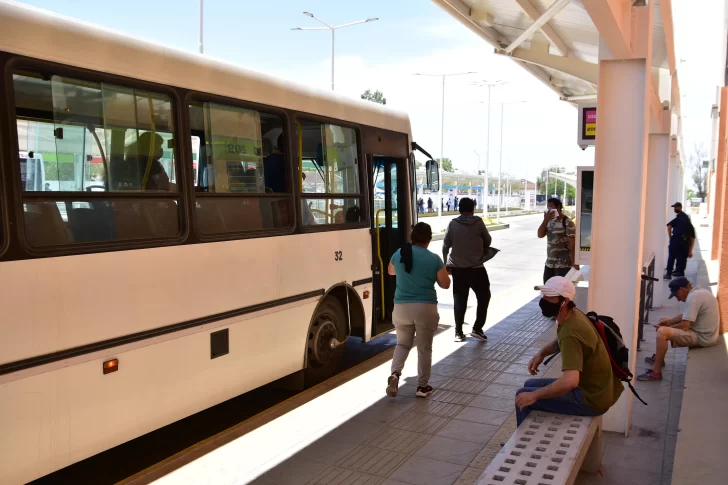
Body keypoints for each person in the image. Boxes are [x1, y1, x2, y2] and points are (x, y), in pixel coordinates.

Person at [514, 277, 624, 426]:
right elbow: (561, 341)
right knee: (529, 384)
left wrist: (534, 396)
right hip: (600, 389)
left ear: (564, 301)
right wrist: (541, 353)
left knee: (522, 395)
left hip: (591, 399)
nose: (544, 300)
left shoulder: (570, 332)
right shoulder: (573, 315)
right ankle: (527, 431)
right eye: (543, 295)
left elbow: (570, 381)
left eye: (550, 297)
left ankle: (524, 443)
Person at [386, 222, 451, 398]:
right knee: (424, 348)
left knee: (402, 344)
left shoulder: (400, 253)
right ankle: (422, 387)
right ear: (429, 240)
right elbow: (445, 284)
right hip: (425, 308)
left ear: (412, 237)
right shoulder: (434, 258)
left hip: (401, 308)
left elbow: (390, 271)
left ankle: (395, 374)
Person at [637, 277, 720, 381]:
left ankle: (656, 372)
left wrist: (666, 327)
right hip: (707, 334)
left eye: (676, 295)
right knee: (663, 320)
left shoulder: (693, 298)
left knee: (662, 332)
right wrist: (668, 322)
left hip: (703, 338)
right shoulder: (699, 292)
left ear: (682, 289)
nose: (678, 299)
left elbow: (685, 326)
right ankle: (659, 358)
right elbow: (686, 315)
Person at [442, 197, 493, 342]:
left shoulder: (453, 223)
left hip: (458, 270)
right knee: (484, 297)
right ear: (472, 209)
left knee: (460, 300)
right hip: (477, 269)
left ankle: (458, 332)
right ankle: (477, 328)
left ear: (459, 209)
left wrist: (446, 264)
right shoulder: (478, 222)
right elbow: (488, 240)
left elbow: (446, 245)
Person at [537, 197, 577, 284]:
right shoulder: (549, 221)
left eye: (551, 206)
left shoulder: (567, 222)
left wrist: (575, 263)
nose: (549, 209)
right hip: (549, 264)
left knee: (561, 293)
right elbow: (540, 235)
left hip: (564, 265)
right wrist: (545, 220)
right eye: (548, 207)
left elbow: (572, 244)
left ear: (558, 207)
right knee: (548, 290)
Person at [664, 202, 696, 279]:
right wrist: (690, 251)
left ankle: (668, 273)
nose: (675, 209)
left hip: (676, 239)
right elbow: (692, 238)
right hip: (685, 242)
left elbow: (669, 226)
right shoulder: (688, 222)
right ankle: (679, 272)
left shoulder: (679, 217)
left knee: (672, 256)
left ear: (680, 208)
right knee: (682, 257)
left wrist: (670, 238)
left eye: (676, 207)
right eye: (674, 207)